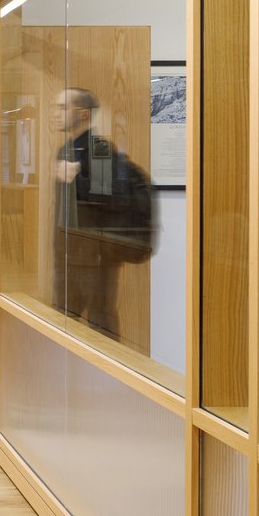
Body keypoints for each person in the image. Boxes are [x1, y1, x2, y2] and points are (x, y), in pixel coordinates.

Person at [51, 87, 155, 339]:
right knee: (64, 321)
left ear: (84, 114)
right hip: (71, 254)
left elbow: (114, 198)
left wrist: (78, 179)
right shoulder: (68, 149)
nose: (55, 114)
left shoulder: (99, 150)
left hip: (94, 258)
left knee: (101, 322)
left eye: (63, 108)